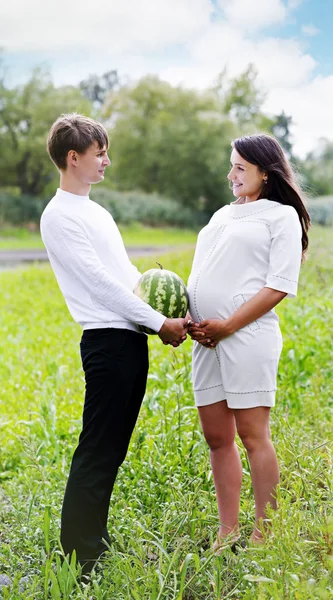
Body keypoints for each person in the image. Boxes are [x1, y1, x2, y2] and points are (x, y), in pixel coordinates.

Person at [40, 113, 188, 574]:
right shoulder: (59, 216)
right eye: (99, 152)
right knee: (98, 446)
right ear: (73, 157)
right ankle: (77, 556)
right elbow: (102, 285)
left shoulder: (97, 212)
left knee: (113, 446)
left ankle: (94, 539)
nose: (106, 160)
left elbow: (129, 277)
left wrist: (170, 318)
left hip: (129, 339)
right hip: (105, 341)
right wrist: (159, 322)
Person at [187, 133, 311, 550]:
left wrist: (228, 325)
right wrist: (193, 318)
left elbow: (279, 285)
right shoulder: (222, 214)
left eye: (241, 167)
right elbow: (202, 271)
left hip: (247, 336)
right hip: (207, 340)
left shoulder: (280, 217)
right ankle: (227, 530)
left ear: (265, 171)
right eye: (232, 165)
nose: (232, 174)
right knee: (216, 437)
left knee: (252, 435)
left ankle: (264, 534)